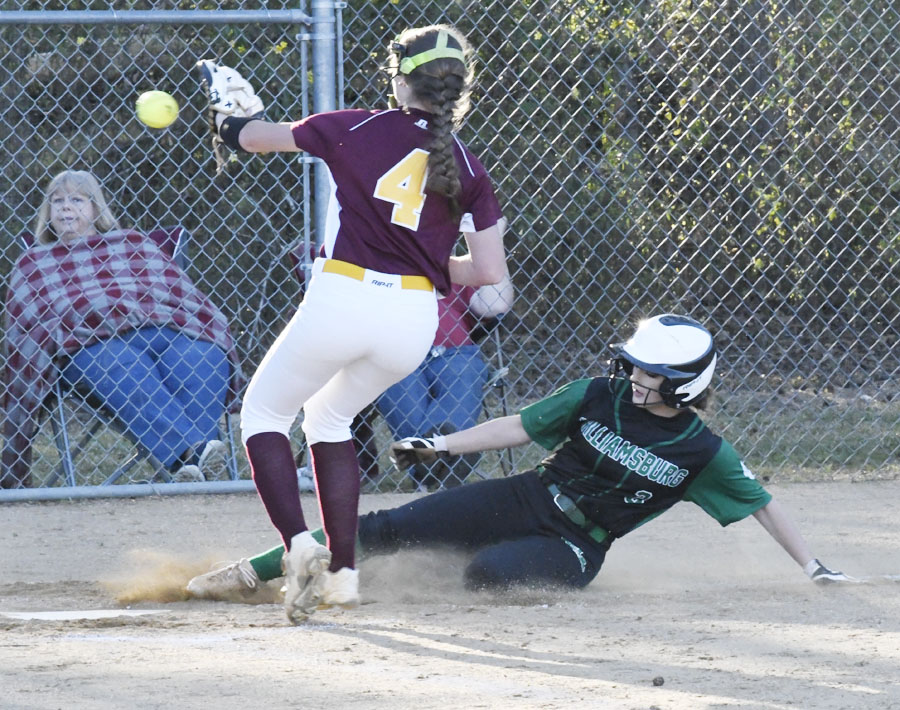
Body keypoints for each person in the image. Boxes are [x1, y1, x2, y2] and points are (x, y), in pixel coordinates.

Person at [186, 313, 854, 605]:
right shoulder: (599, 395)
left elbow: (762, 505)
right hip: (526, 495)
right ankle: (257, 570)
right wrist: (442, 443)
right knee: (384, 527)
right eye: (634, 365)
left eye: (649, 372)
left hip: (575, 544)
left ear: (684, 387)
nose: (632, 376)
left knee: (490, 575)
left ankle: (364, 586)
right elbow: (518, 426)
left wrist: (813, 566)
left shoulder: (701, 450)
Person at [196, 23, 508, 624]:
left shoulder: (354, 125)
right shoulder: (468, 164)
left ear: (400, 80)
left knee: (264, 415)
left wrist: (230, 115)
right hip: (414, 320)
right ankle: (342, 577)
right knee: (330, 418)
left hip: (344, 296)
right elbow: (488, 270)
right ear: (458, 89)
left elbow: (246, 139)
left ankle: (299, 545)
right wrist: (420, 256)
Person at [1, 170, 243, 489]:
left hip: (166, 328)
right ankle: (196, 457)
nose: (64, 207)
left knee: (204, 355)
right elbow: (30, 325)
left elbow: (179, 293)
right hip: (89, 344)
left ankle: (193, 466)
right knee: (126, 366)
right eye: (56, 201)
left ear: (96, 208)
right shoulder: (34, 262)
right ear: (48, 213)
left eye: (76, 199)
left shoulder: (132, 242)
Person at [298, 273, 514, 492]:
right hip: (395, 352)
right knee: (392, 375)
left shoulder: (455, 269)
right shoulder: (375, 269)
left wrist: (494, 245)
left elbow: (495, 306)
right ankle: (445, 459)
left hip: (456, 354)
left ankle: (424, 460)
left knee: (465, 373)